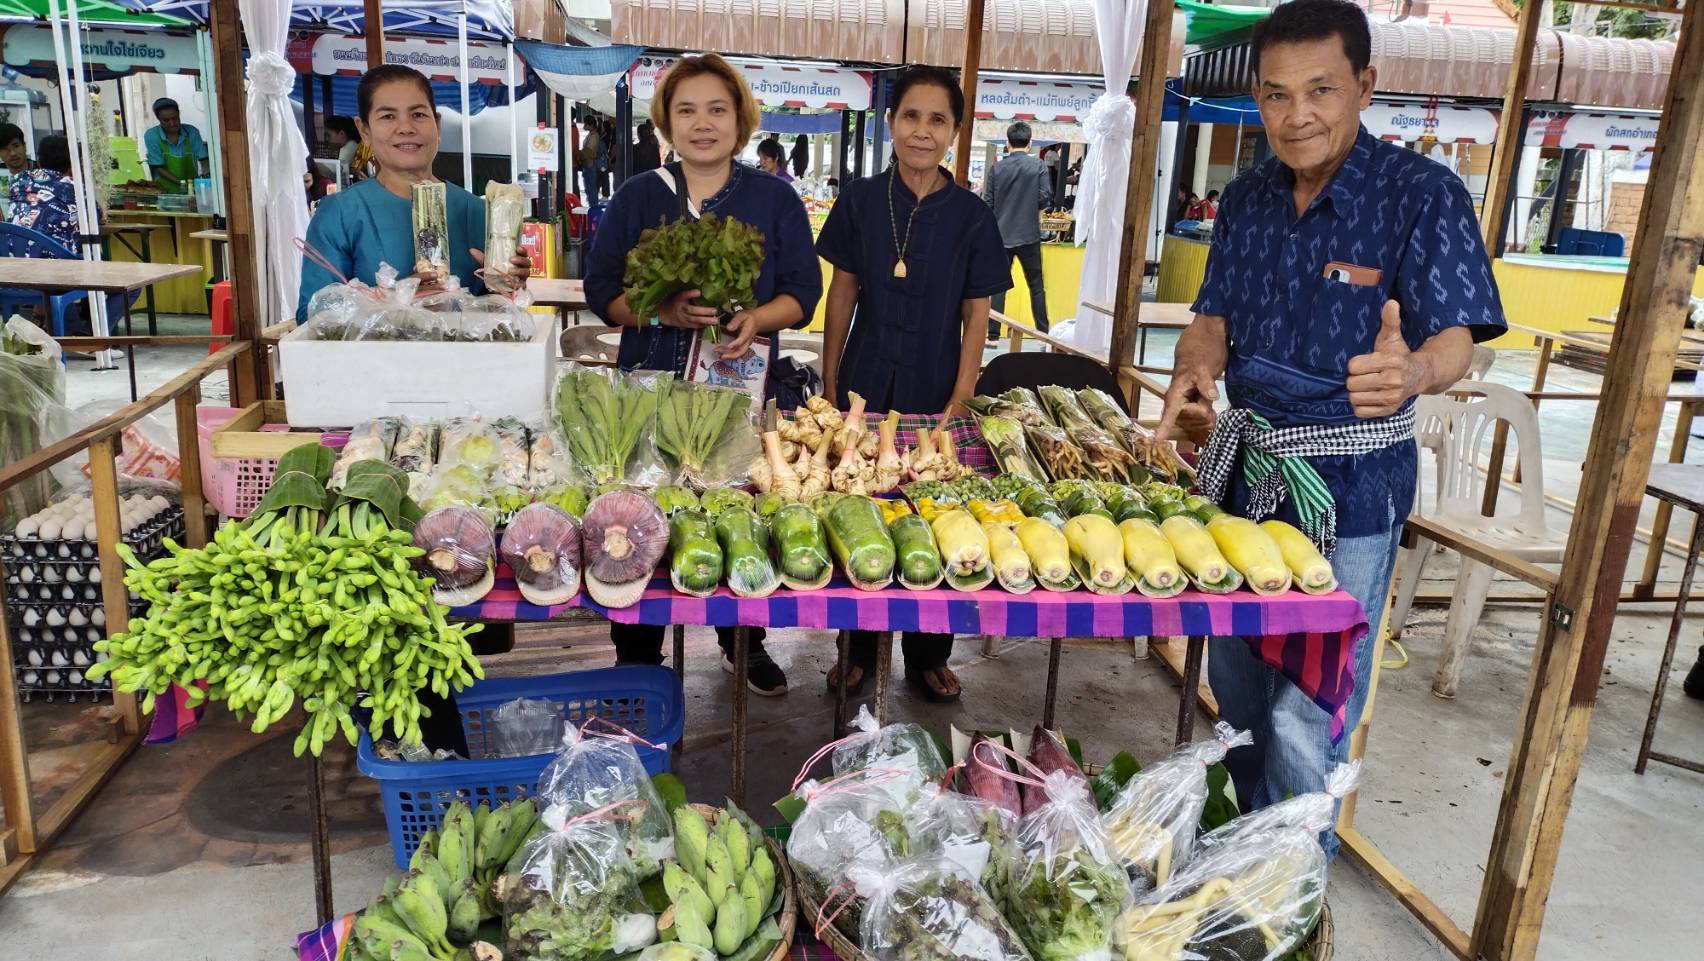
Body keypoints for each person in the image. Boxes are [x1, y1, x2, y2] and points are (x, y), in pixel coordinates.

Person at [1155, 0, 1505, 856]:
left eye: (1320, 90)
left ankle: (1293, 900)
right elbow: (1211, 319)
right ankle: (1249, 853)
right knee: (1236, 687)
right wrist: (1192, 372)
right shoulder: (1245, 196)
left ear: (1364, 87)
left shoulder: (1421, 194)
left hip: (1350, 486)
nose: (1296, 114)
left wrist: (1414, 370)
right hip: (1245, 473)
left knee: (1307, 709)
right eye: (1275, 95)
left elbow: (1458, 337)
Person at [583, 53, 822, 695]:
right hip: (648, 393)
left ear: (740, 120)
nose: (702, 123)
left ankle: (743, 642)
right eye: (686, 110)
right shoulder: (638, 196)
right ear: (666, 121)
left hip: (735, 390)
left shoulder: (773, 199)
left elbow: (805, 290)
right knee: (637, 520)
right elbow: (601, 289)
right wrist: (659, 308)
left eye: (718, 109)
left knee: (735, 515)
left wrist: (756, 318)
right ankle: (635, 654)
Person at [817, 65, 1011, 704]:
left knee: (934, 516)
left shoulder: (974, 217)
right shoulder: (860, 201)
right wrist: (830, 375)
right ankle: (857, 650)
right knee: (857, 509)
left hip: (934, 384)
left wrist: (961, 399)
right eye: (910, 117)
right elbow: (841, 294)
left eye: (937, 120)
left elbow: (976, 316)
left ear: (956, 131)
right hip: (865, 380)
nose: (922, 132)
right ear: (890, 123)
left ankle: (927, 653)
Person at [297, 64, 530, 321]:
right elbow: (313, 317)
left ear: (437, 125)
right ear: (364, 130)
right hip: (375, 362)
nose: (406, 127)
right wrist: (394, 303)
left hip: (465, 361)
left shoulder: (476, 211)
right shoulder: (339, 214)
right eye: (388, 116)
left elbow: (502, 320)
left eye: (418, 114)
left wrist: (509, 286)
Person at [983, 121, 1051, 335]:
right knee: (1036, 286)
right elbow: (1044, 197)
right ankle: (1042, 334)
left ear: (1007, 143)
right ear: (1029, 144)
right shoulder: (1038, 166)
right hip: (1029, 235)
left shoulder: (997, 168)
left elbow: (988, 202)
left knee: (998, 287)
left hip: (1000, 236)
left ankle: (993, 335)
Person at [7, 135, 78, 253]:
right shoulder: (74, 189)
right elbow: (96, 215)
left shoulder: (18, 180)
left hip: (12, 256)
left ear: (39, 162)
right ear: (71, 164)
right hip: (57, 262)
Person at [144, 97, 209, 192]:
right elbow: (158, 168)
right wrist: (182, 183)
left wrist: (205, 179)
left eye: (175, 118)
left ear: (179, 114)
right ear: (159, 119)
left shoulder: (192, 132)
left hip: (192, 189)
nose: (172, 123)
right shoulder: (152, 136)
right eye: (166, 120)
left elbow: (204, 160)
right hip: (165, 191)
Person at [0, 123, 30, 219]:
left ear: (24, 146)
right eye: (5, 149)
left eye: (16, 146)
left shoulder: (42, 173)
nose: (12, 153)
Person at [325, 115, 362, 179]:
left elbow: (332, 170)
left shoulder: (351, 146)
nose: (326, 139)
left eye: (329, 135)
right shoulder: (350, 145)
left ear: (342, 134)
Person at [578, 117, 602, 202]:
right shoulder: (591, 135)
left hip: (590, 164)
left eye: (585, 124)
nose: (584, 125)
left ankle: (593, 208)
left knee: (591, 189)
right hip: (588, 165)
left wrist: (578, 154)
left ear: (590, 125)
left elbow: (588, 151)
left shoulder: (593, 136)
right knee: (589, 188)